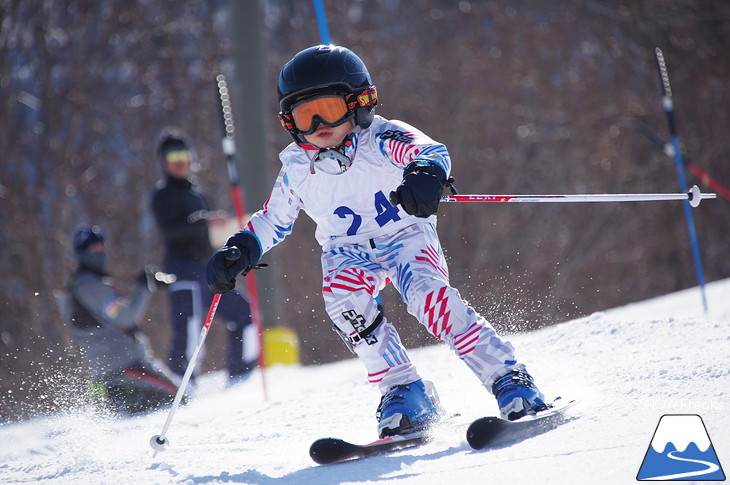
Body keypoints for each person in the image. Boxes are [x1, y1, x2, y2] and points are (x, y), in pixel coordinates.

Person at [207, 45, 548, 438]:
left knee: (428, 298)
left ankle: (508, 378)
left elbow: (428, 150)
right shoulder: (298, 168)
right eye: (305, 114)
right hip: (346, 250)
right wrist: (242, 249)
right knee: (342, 300)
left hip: (404, 235)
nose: (318, 123)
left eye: (330, 109)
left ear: (359, 102)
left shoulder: (382, 138)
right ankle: (404, 389)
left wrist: (425, 173)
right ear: (289, 121)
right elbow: (272, 220)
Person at [151, 128, 257, 385]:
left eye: (184, 154)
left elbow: (206, 233)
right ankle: (181, 383)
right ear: (164, 161)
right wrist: (204, 222)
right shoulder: (163, 195)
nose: (179, 160)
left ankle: (241, 376)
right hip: (183, 269)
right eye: (172, 155)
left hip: (208, 268)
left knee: (245, 313)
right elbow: (172, 230)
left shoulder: (198, 194)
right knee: (189, 327)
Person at [66, 224, 181, 414]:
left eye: (103, 249)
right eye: (94, 250)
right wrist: (145, 286)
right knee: (175, 402)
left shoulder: (92, 282)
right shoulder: (87, 285)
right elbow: (126, 317)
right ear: (81, 254)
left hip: (124, 369)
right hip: (120, 373)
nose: (100, 255)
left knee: (176, 398)